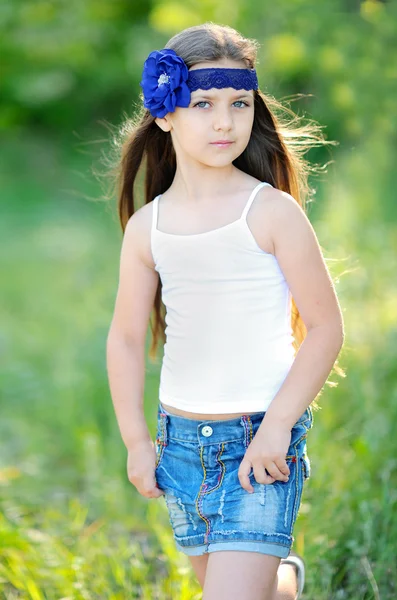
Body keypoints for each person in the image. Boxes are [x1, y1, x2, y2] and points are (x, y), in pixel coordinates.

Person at [106, 22, 345, 600]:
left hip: (257, 444)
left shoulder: (271, 212)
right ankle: (284, 584)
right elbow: (126, 339)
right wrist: (138, 441)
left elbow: (326, 329)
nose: (224, 121)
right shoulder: (148, 228)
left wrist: (278, 427)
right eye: (204, 103)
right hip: (181, 446)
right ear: (165, 114)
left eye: (240, 104)